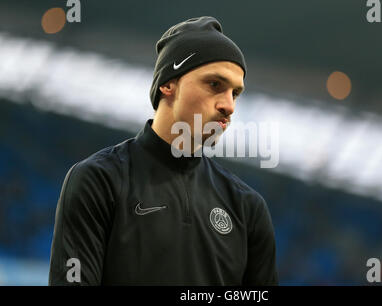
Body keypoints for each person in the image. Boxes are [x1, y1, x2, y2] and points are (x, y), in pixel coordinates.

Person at [48, 16, 278, 285]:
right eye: (215, 84)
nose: (229, 106)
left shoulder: (248, 208)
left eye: (235, 93)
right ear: (167, 85)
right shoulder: (98, 181)